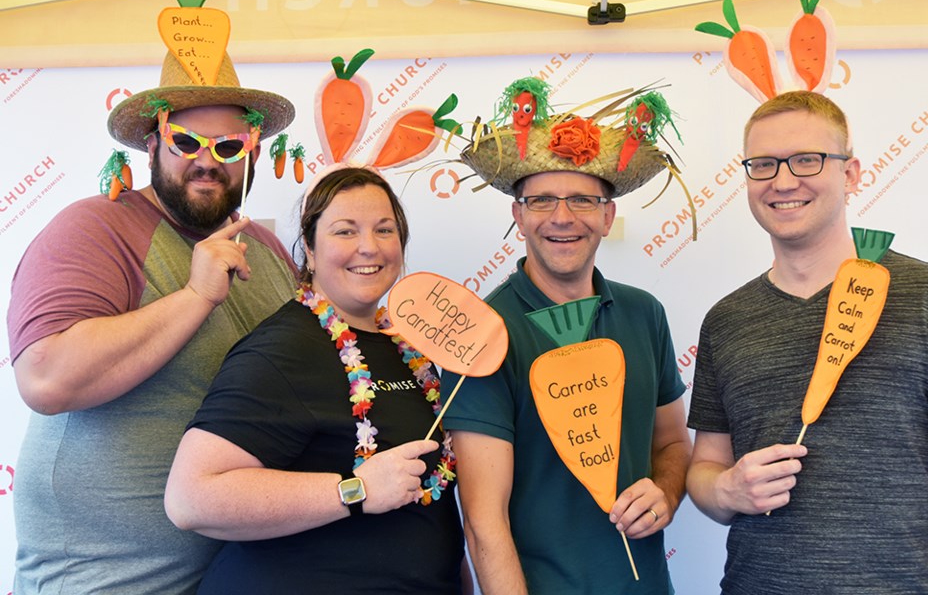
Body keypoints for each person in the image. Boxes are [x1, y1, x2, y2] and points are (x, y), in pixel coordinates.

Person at [7, 46, 298, 592]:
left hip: (239, 577)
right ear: (151, 144)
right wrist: (195, 296)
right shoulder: (94, 229)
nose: (207, 161)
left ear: (252, 153)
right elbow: (46, 379)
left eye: (229, 146)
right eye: (185, 142)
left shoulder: (267, 249)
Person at [686, 90, 928, 594]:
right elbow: (705, 467)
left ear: (851, 174)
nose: (783, 181)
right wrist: (726, 488)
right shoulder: (726, 320)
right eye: (763, 164)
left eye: (807, 160)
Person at [164, 167, 468, 594]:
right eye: (345, 231)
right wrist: (355, 489)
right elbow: (190, 499)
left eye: (385, 229)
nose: (369, 247)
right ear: (308, 247)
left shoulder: (407, 344)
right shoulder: (283, 348)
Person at [441, 104, 692, 594]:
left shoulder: (645, 314)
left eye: (582, 200)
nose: (561, 218)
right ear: (517, 214)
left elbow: (672, 444)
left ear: (607, 214)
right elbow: (483, 523)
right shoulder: (484, 335)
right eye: (541, 201)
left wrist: (665, 490)